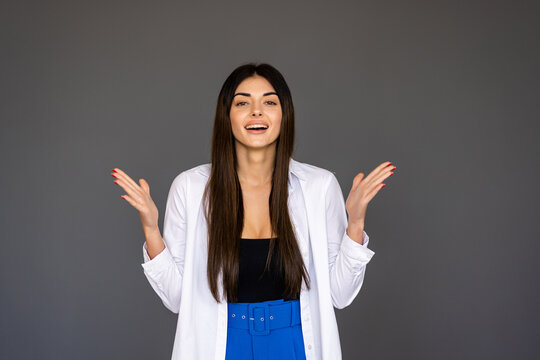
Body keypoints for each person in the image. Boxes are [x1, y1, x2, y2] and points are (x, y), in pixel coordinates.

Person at [111, 63, 396, 360]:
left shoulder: (319, 186)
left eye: (270, 102)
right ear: (227, 116)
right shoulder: (190, 188)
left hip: (294, 344)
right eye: (243, 102)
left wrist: (356, 222)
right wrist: (151, 229)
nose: (256, 112)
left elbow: (341, 294)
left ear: (284, 114)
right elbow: (176, 299)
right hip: (222, 346)